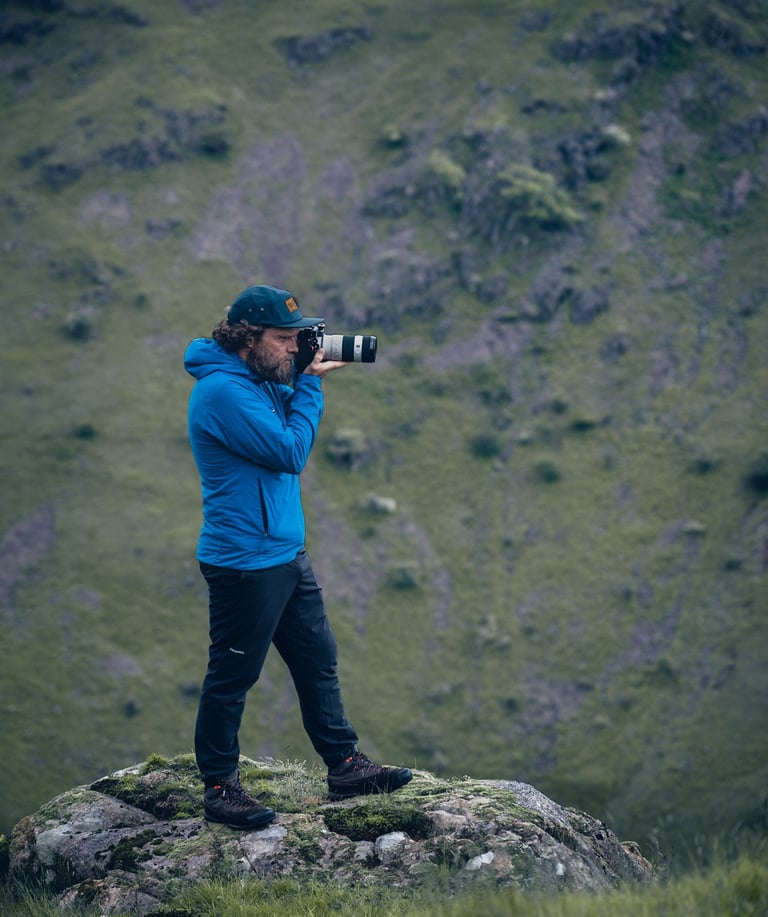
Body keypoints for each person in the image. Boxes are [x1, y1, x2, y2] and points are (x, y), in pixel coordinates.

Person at [184, 284, 412, 829]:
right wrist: (309, 388)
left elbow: (277, 421)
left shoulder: (257, 382)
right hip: (244, 561)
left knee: (317, 660)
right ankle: (219, 787)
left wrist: (298, 378)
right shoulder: (222, 393)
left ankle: (345, 766)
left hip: (284, 552)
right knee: (233, 676)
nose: (294, 348)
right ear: (248, 338)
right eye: (285, 339)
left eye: (297, 339)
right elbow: (288, 451)